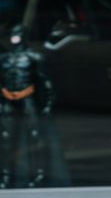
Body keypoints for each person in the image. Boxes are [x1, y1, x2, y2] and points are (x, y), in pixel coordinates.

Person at [1, 23, 69, 187]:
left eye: (18, 34)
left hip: (27, 98)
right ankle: (6, 175)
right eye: (13, 34)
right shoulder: (4, 59)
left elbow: (45, 82)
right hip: (8, 99)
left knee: (35, 136)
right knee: (6, 139)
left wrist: (48, 104)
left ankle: (39, 174)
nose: (15, 38)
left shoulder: (33, 57)